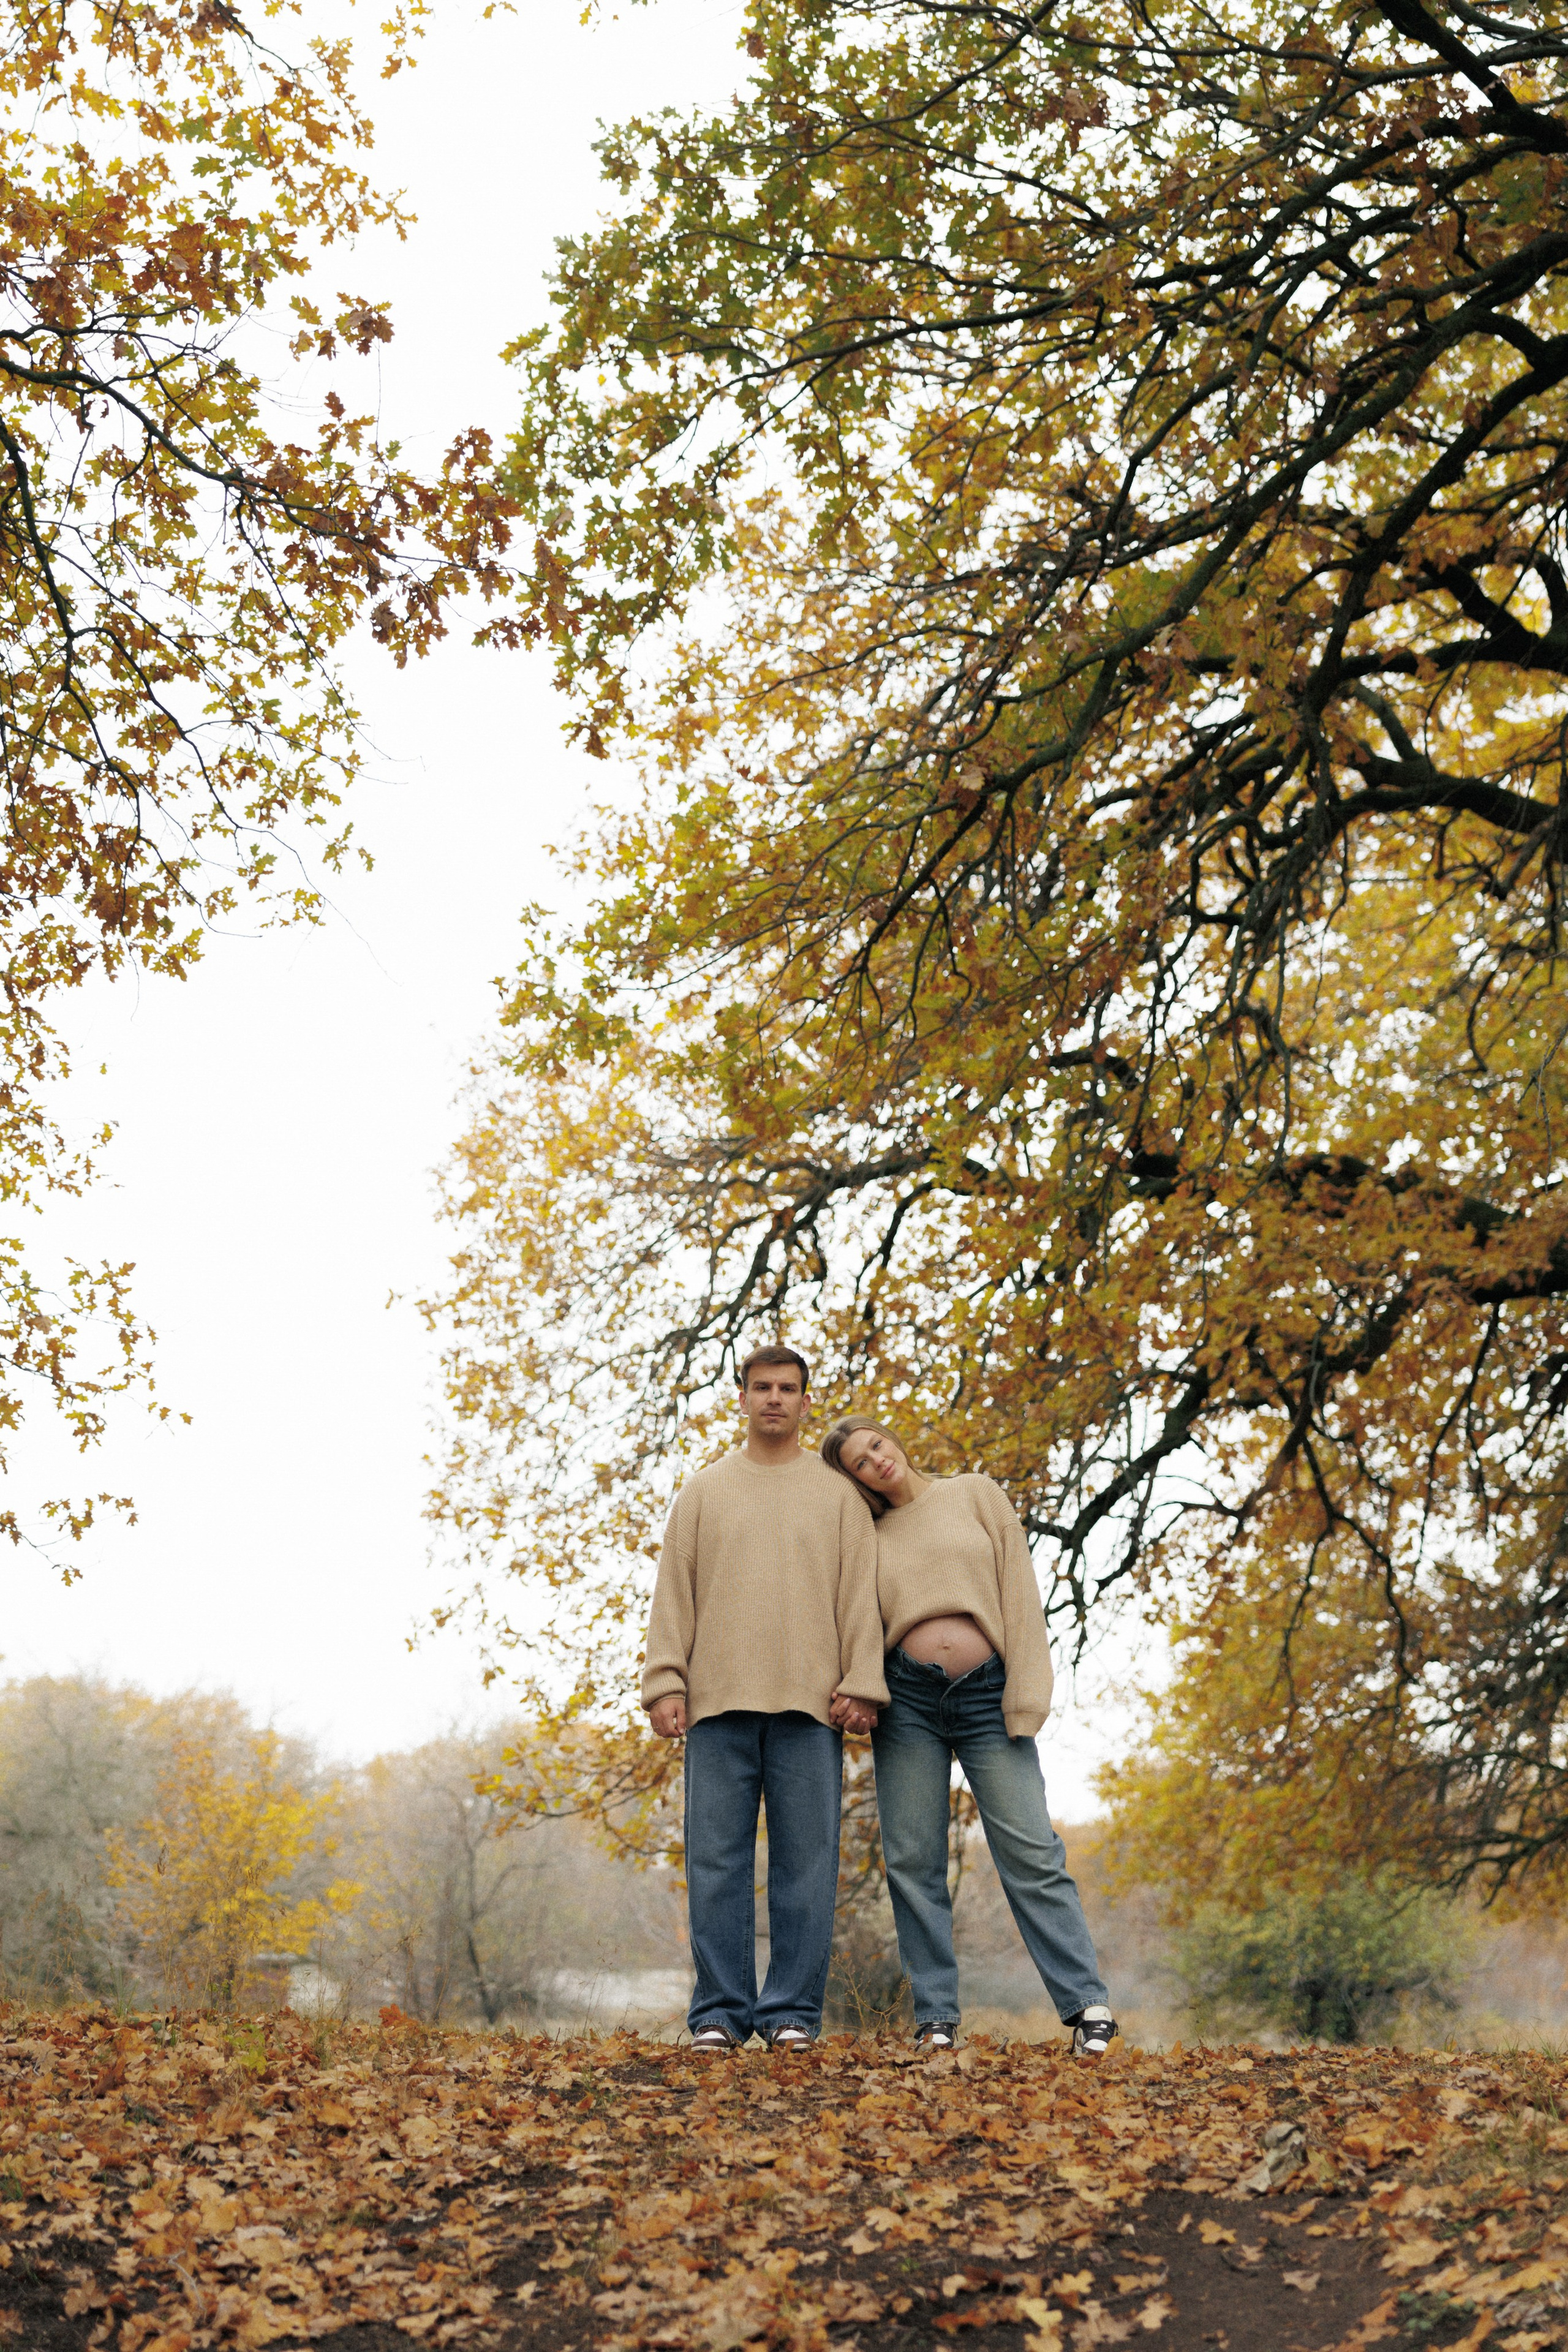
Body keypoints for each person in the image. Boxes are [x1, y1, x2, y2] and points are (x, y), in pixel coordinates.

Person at [821, 1415, 1117, 2060]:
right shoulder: (864, 1535)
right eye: (859, 1463)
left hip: (987, 1695)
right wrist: (865, 1684)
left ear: (891, 1439)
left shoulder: (974, 1492)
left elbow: (1019, 1590)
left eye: (875, 1444)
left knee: (1031, 1850)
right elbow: (859, 1622)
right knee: (912, 1860)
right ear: (854, 1482)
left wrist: (1026, 1692)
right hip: (908, 1705)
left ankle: (1087, 2006)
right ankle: (935, 2018)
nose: (876, 1461)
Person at [643, 1347, 888, 2051]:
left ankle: (789, 2015)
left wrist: (863, 1683)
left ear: (807, 1402)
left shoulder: (837, 1496)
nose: (774, 1399)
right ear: (741, 1399)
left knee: (805, 1865)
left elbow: (859, 1597)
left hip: (811, 1709)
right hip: (717, 1706)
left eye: (788, 1389)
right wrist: (665, 1682)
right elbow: (673, 1595)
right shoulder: (704, 1491)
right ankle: (719, 2012)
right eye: (761, 1388)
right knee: (714, 1863)